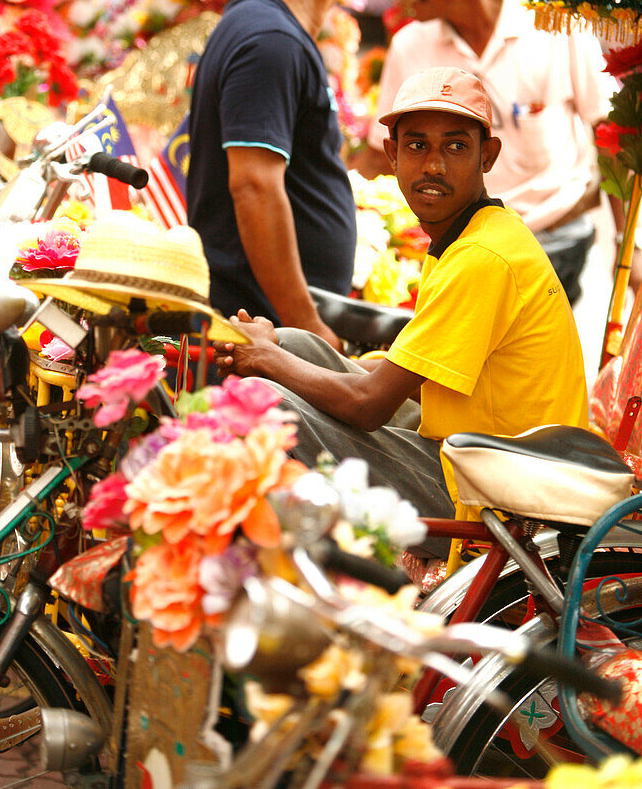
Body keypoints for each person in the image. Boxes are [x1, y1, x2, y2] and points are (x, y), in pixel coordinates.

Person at [214, 67, 589, 555]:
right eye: (417, 146)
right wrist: (278, 347)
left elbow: (369, 404)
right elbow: (401, 375)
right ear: (392, 154)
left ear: (487, 156)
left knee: (268, 399)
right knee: (298, 344)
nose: (433, 165)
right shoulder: (471, 236)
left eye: (455, 147)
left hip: (500, 499)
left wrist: (264, 358)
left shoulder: (483, 258)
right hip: (481, 456)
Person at [357, 0, 616, 305]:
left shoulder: (554, 23)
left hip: (554, 239)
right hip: (457, 248)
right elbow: (381, 158)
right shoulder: (409, 46)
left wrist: (633, 246)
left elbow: (609, 134)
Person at [188, 0, 362, 350]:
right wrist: (308, 326)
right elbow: (254, 186)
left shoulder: (260, 27)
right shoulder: (271, 41)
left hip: (268, 324)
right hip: (265, 327)